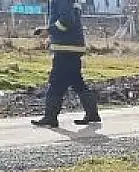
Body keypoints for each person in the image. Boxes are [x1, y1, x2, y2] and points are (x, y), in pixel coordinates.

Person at [30, 0, 100, 128]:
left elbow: (66, 21)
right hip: (71, 47)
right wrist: (51, 36)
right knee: (77, 81)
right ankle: (92, 114)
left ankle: (50, 117)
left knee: (56, 81)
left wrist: (49, 30)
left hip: (67, 48)